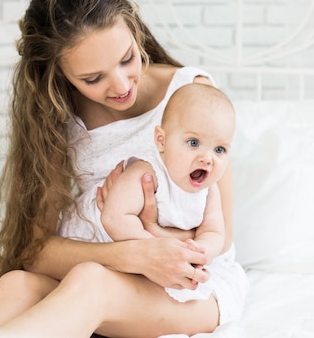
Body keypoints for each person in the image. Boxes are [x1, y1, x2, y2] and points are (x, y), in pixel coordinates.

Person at [0, 0, 249, 338]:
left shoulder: (189, 94)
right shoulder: (59, 116)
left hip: (190, 285)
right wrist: (130, 254)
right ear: (59, 73)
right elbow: (34, 251)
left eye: (127, 58)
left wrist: (148, 234)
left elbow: (220, 233)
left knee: (91, 283)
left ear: (133, 28)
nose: (119, 85)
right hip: (114, 270)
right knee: (17, 284)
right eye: (93, 79)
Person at [59, 82, 236, 304]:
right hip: (89, 238)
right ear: (161, 141)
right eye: (193, 143)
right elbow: (114, 217)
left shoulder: (209, 191)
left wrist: (201, 252)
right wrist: (153, 244)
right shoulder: (147, 173)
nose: (207, 158)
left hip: (132, 254)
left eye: (219, 149)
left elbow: (214, 232)